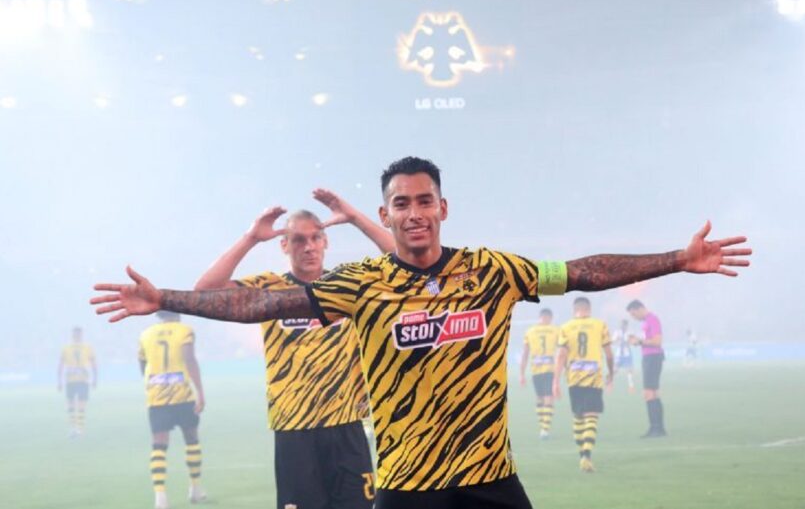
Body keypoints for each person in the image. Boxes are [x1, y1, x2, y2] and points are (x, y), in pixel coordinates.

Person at [92, 156, 752, 509]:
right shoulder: (361, 285)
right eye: (401, 203)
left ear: (443, 207)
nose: (414, 212)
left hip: (490, 477)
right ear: (385, 215)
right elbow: (256, 306)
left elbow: (583, 270)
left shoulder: (493, 270)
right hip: (407, 486)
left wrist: (676, 258)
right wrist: (164, 298)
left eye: (424, 200)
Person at [194, 189, 394, 509]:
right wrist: (250, 238)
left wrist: (355, 218)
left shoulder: (348, 283)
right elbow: (204, 291)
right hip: (294, 428)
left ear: (326, 242)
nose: (309, 247)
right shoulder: (269, 288)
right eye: (299, 240)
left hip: (346, 425)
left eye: (315, 238)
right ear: (284, 245)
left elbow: (404, 262)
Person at [139, 311, 206, 509]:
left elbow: (142, 363)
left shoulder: (146, 334)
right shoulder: (184, 331)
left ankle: (160, 497)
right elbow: (189, 359)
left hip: (157, 396)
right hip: (182, 394)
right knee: (191, 439)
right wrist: (200, 391)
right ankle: (195, 488)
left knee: (158, 444)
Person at [553, 297, 612, 472]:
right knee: (591, 416)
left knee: (578, 417)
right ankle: (587, 456)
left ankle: (582, 456)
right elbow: (609, 354)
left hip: (574, 377)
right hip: (594, 377)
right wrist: (611, 372)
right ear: (589, 308)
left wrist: (555, 380)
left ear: (575, 309)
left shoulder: (566, 327)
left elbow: (561, 355)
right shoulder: (600, 325)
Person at [627, 299, 666, 438]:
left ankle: (656, 428)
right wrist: (637, 340)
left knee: (649, 392)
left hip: (653, 357)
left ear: (639, 309)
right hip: (650, 357)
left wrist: (639, 341)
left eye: (633, 314)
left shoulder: (652, 319)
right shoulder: (646, 322)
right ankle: (658, 428)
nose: (634, 317)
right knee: (653, 392)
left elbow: (657, 341)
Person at [519, 308, 561, 439]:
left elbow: (525, 354)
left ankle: (543, 427)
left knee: (540, 398)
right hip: (550, 369)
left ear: (540, 317)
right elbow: (562, 350)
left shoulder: (530, 331)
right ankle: (544, 428)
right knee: (548, 397)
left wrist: (522, 373)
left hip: (536, 369)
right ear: (550, 317)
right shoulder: (556, 330)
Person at [57, 327, 97, 437]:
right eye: (75, 334)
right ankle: (73, 428)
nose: (77, 336)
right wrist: (59, 381)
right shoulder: (66, 348)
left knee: (81, 405)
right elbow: (61, 364)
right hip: (70, 380)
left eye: (78, 334)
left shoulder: (87, 348)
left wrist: (95, 378)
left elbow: (93, 363)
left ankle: (80, 429)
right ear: (73, 335)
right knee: (71, 405)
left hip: (83, 380)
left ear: (81, 335)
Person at [612, 319, 635, 392]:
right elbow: (612, 341)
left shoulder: (629, 333)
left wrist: (630, 341)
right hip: (619, 354)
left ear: (626, 326)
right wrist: (616, 340)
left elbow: (633, 342)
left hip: (627, 354)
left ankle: (631, 386)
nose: (623, 326)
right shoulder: (617, 332)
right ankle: (609, 383)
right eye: (621, 324)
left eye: (624, 325)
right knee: (615, 370)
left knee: (629, 370)